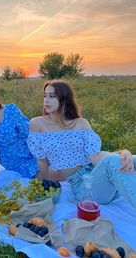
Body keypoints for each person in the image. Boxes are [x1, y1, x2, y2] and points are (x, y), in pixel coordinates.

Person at [27, 79, 136, 208]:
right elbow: (42, 160)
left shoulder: (81, 123)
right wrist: (46, 185)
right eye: (45, 95)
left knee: (133, 159)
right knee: (113, 160)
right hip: (84, 187)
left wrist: (124, 152)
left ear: (64, 99)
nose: (46, 100)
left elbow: (95, 158)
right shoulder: (37, 124)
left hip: (102, 179)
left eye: (52, 96)